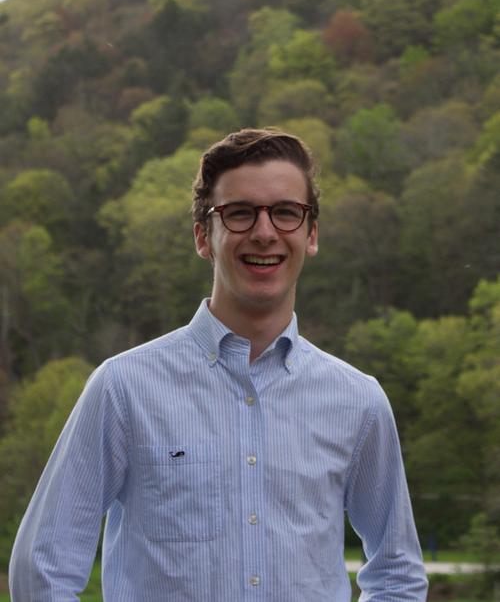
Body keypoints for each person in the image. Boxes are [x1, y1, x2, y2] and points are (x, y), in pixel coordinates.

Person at [9, 128, 428, 601]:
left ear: (311, 235)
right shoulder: (124, 388)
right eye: (240, 213)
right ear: (203, 237)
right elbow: (43, 565)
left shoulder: (359, 401)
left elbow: (397, 573)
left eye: (286, 212)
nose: (265, 232)